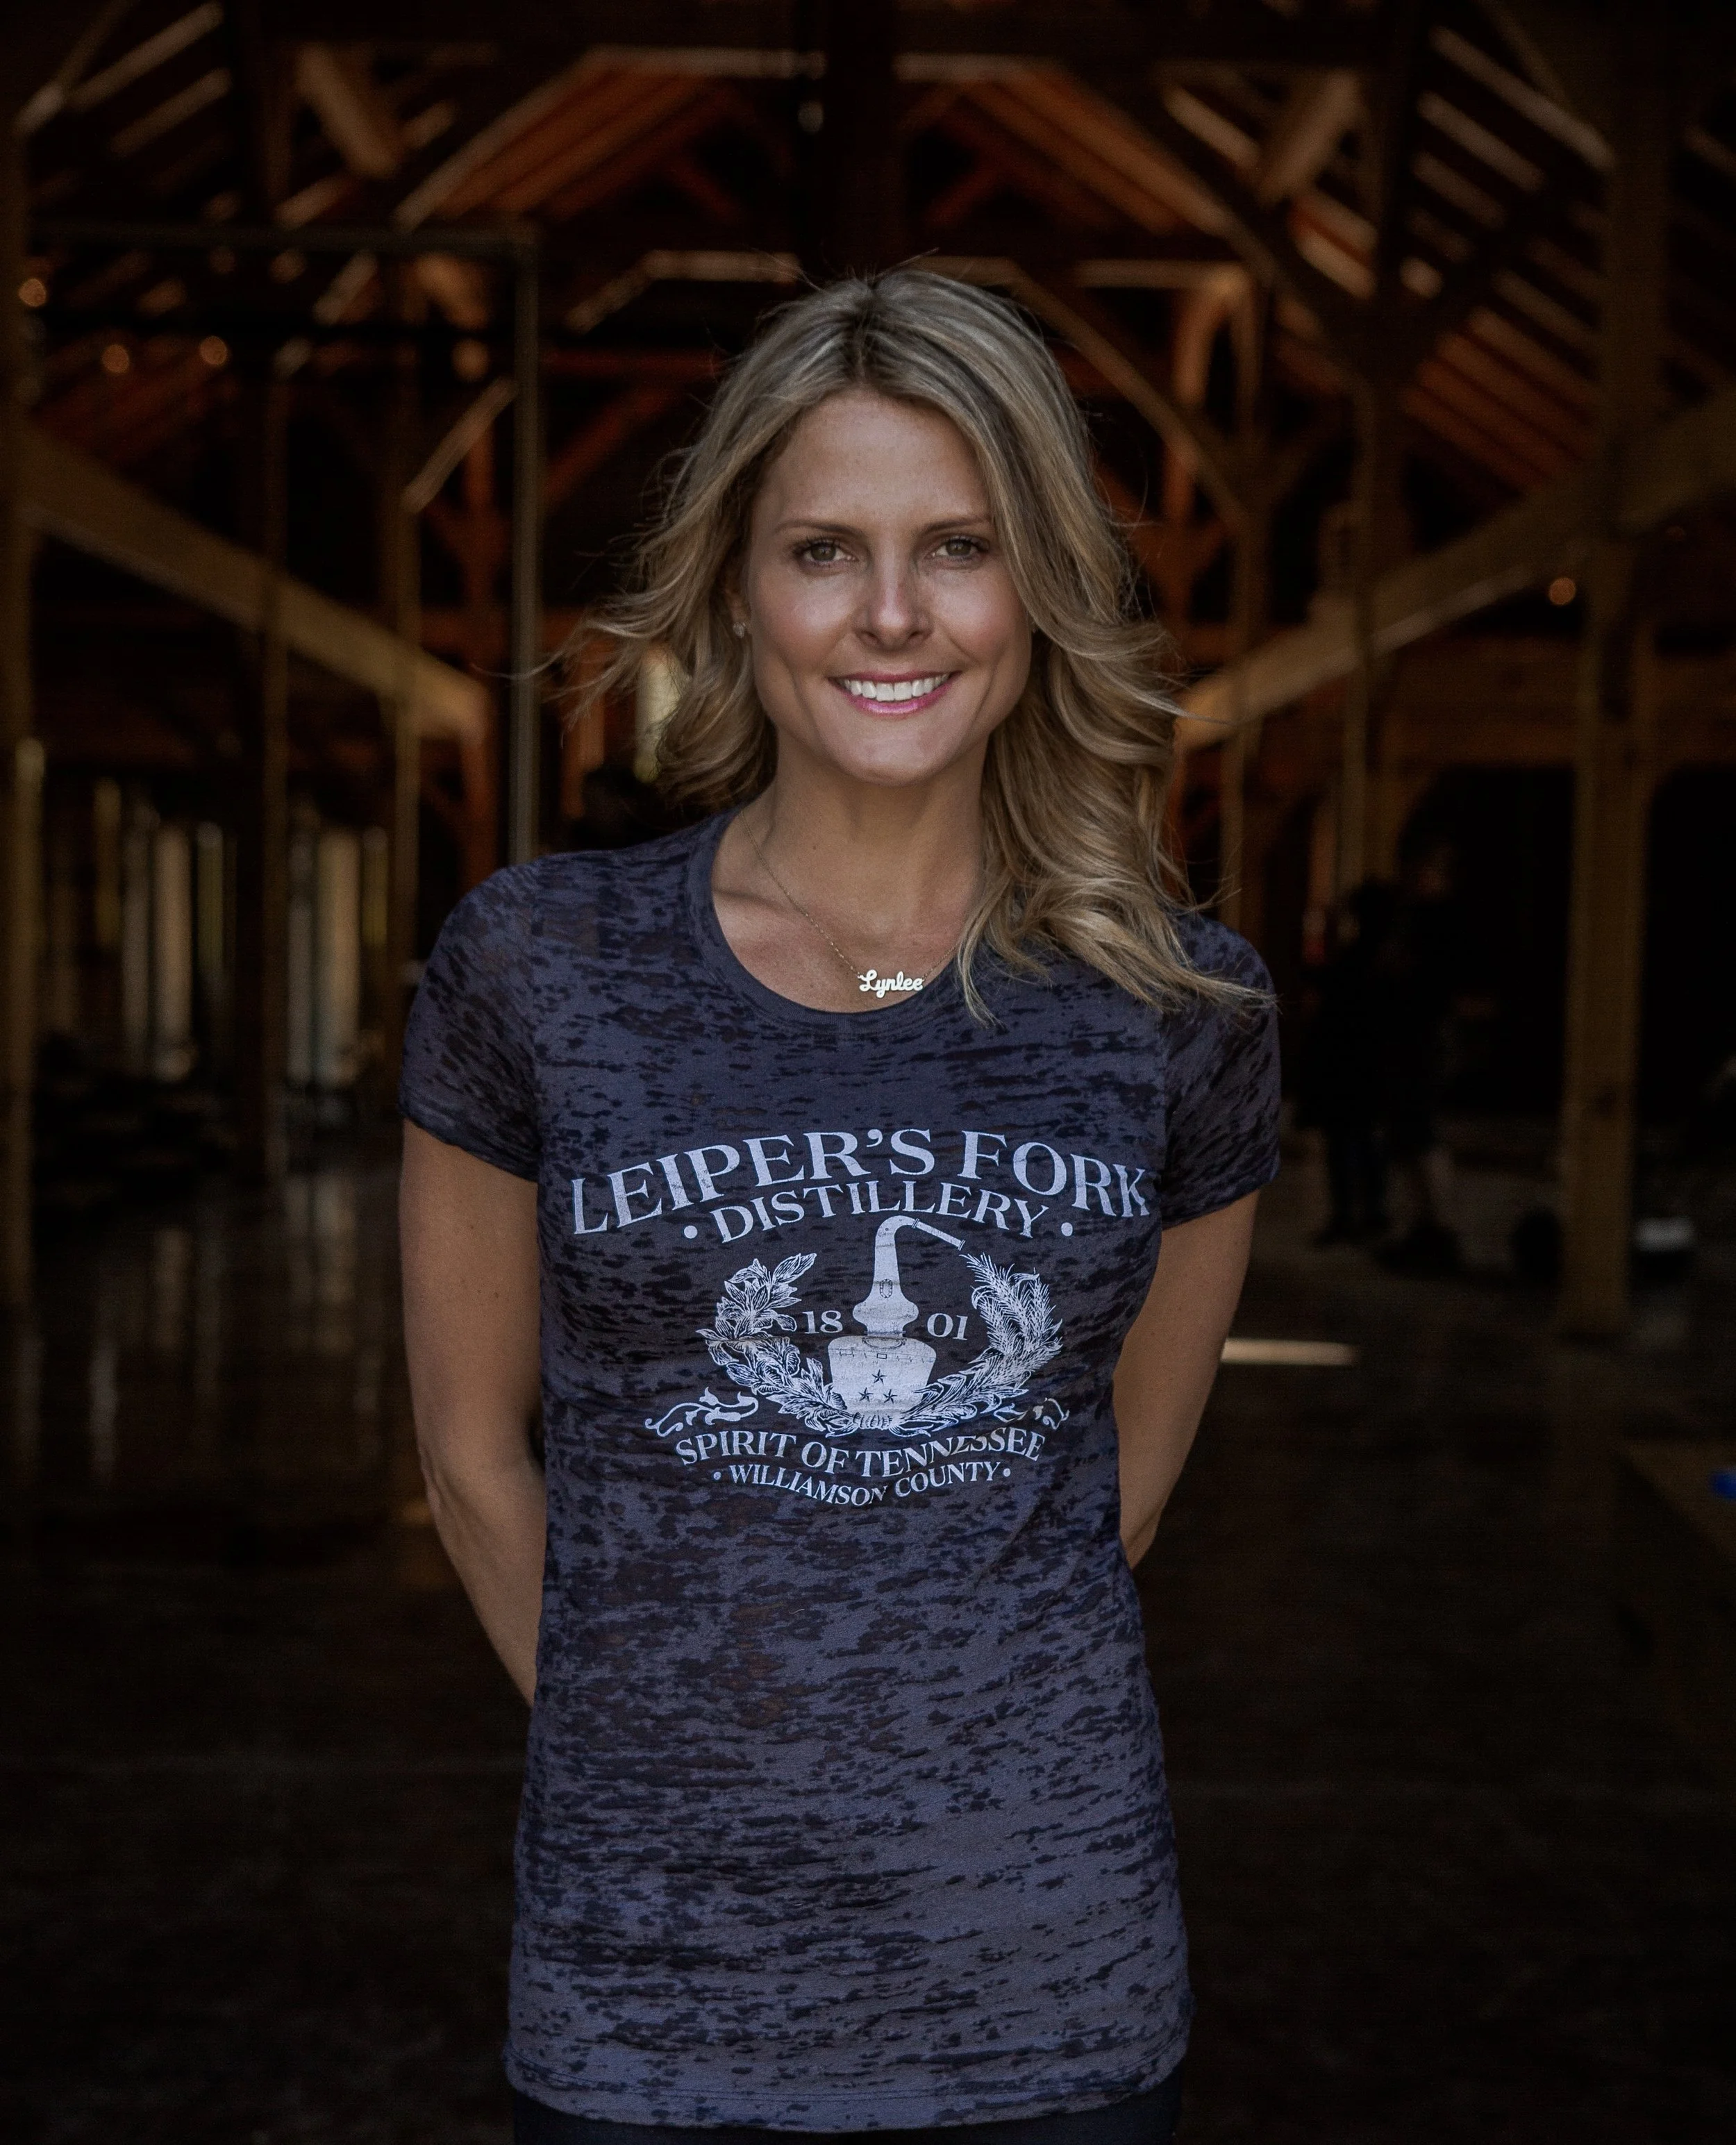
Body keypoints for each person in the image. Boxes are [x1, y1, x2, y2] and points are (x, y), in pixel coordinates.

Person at [399, 271, 1280, 2145]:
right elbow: (474, 1458)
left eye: (956, 545)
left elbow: (1102, 1492)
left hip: (1044, 1981)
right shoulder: (539, 966)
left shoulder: (1179, 1015)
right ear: (737, 587)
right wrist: (661, 1756)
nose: (892, 614)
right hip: (647, 1990)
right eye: (823, 548)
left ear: (1035, 585)